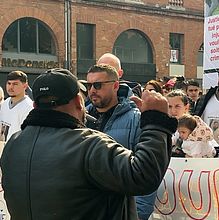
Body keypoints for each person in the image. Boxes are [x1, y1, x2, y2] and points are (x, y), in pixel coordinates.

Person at [0, 68, 177, 220]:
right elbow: (143, 175)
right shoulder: (89, 145)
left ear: (35, 105)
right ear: (78, 101)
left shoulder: (13, 145)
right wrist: (155, 120)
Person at [85, 64, 156, 220]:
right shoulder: (81, 118)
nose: (92, 90)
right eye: (88, 85)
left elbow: (147, 170)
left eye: (97, 85)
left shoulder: (136, 119)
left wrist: (136, 214)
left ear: (115, 85)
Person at [0, 71, 33, 142]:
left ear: (25, 86)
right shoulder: (5, 103)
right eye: (9, 83)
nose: (11, 87)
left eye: (15, 84)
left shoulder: (29, 107)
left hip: (16, 150)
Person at [166, 90, 191, 157]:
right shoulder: (162, 128)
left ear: (186, 108)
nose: (173, 111)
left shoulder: (196, 126)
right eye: (170, 107)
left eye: (177, 106)